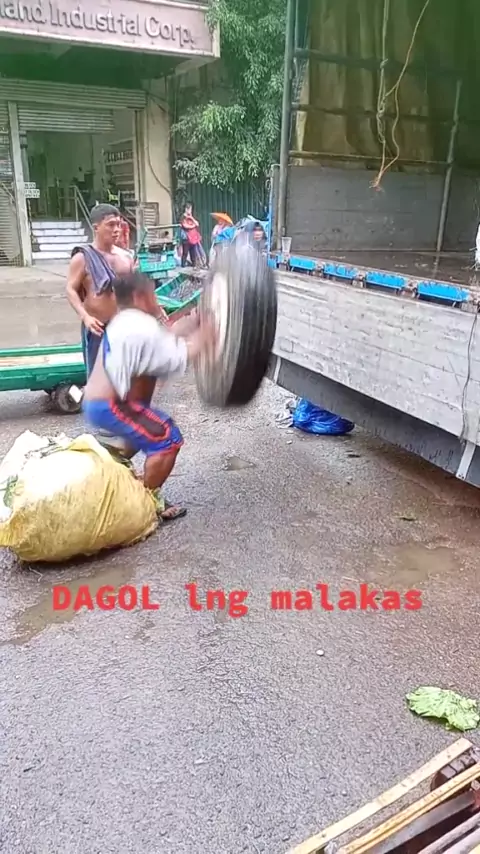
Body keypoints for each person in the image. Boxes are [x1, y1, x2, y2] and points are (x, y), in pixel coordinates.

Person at [82, 271, 214, 522]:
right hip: (110, 405)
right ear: (139, 297)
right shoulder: (140, 325)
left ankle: (111, 477)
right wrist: (206, 335)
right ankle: (144, 503)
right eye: (153, 294)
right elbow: (177, 357)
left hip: (103, 403)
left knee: (141, 432)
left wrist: (188, 324)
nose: (157, 300)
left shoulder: (126, 321)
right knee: (167, 438)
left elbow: (162, 342)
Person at [66, 204, 134, 379]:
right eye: (111, 225)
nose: (116, 229)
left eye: (118, 224)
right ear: (96, 228)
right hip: (97, 328)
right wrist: (85, 317)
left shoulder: (126, 257)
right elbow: (71, 289)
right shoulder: (82, 258)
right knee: (98, 382)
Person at [180, 202, 204, 268]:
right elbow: (185, 226)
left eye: (191, 209)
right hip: (186, 237)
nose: (190, 211)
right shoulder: (183, 217)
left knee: (193, 251)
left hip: (192, 237)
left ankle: (194, 264)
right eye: (189, 209)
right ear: (186, 209)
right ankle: (183, 265)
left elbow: (197, 224)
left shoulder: (191, 217)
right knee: (185, 252)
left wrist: (191, 218)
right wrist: (193, 226)